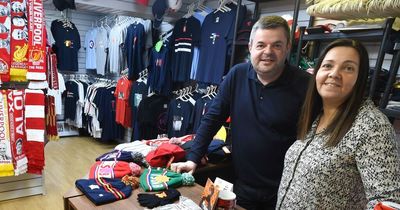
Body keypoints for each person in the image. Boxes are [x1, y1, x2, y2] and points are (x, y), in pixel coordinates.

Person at [171, 16, 310, 209]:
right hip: (242, 185)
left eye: (277, 45)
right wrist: (193, 157)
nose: (268, 52)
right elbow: (213, 118)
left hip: (284, 192)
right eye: (261, 45)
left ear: (287, 48)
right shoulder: (237, 75)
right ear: (251, 46)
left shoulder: (305, 85)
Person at [276, 39, 400, 209]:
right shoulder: (317, 114)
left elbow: (388, 202)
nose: (334, 73)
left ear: (360, 78)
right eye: (327, 66)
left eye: (348, 68)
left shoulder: (371, 125)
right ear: (317, 72)